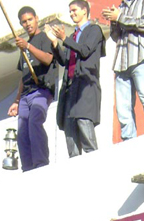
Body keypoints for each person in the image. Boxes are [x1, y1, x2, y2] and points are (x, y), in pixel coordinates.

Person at [45, 0, 105, 158]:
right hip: (70, 87)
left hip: (85, 86)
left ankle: (95, 166)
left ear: (85, 10)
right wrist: (55, 43)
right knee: (70, 132)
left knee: (84, 125)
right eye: (70, 11)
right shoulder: (73, 36)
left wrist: (65, 38)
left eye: (74, 10)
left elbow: (85, 51)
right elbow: (65, 60)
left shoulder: (94, 30)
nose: (72, 14)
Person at [102, 0, 144, 140]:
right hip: (121, 60)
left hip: (141, 57)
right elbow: (116, 36)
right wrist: (114, 21)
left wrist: (120, 17)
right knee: (122, 107)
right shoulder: (122, 6)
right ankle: (128, 140)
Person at [8, 7, 56, 172]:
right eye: (24, 22)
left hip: (41, 89)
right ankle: (28, 168)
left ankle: (41, 163)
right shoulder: (23, 48)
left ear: (36, 18)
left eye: (29, 20)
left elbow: (48, 59)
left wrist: (28, 46)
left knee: (35, 122)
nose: (27, 24)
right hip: (26, 94)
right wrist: (16, 100)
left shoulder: (43, 38)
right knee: (22, 130)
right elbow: (24, 76)